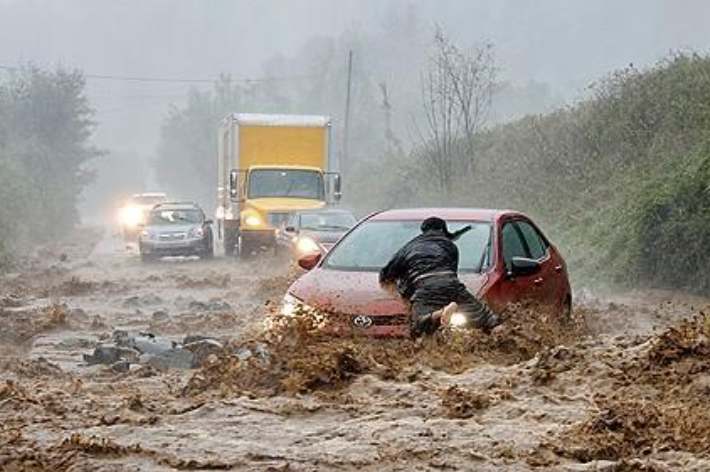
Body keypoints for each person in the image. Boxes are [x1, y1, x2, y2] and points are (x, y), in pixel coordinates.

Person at [379, 217, 503, 338]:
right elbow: (452, 273)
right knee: (488, 318)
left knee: (418, 326)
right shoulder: (450, 245)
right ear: (443, 230)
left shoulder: (407, 248)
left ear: (423, 230)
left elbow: (385, 275)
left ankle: (440, 314)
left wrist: (399, 293)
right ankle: (503, 338)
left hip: (425, 286)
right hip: (451, 284)